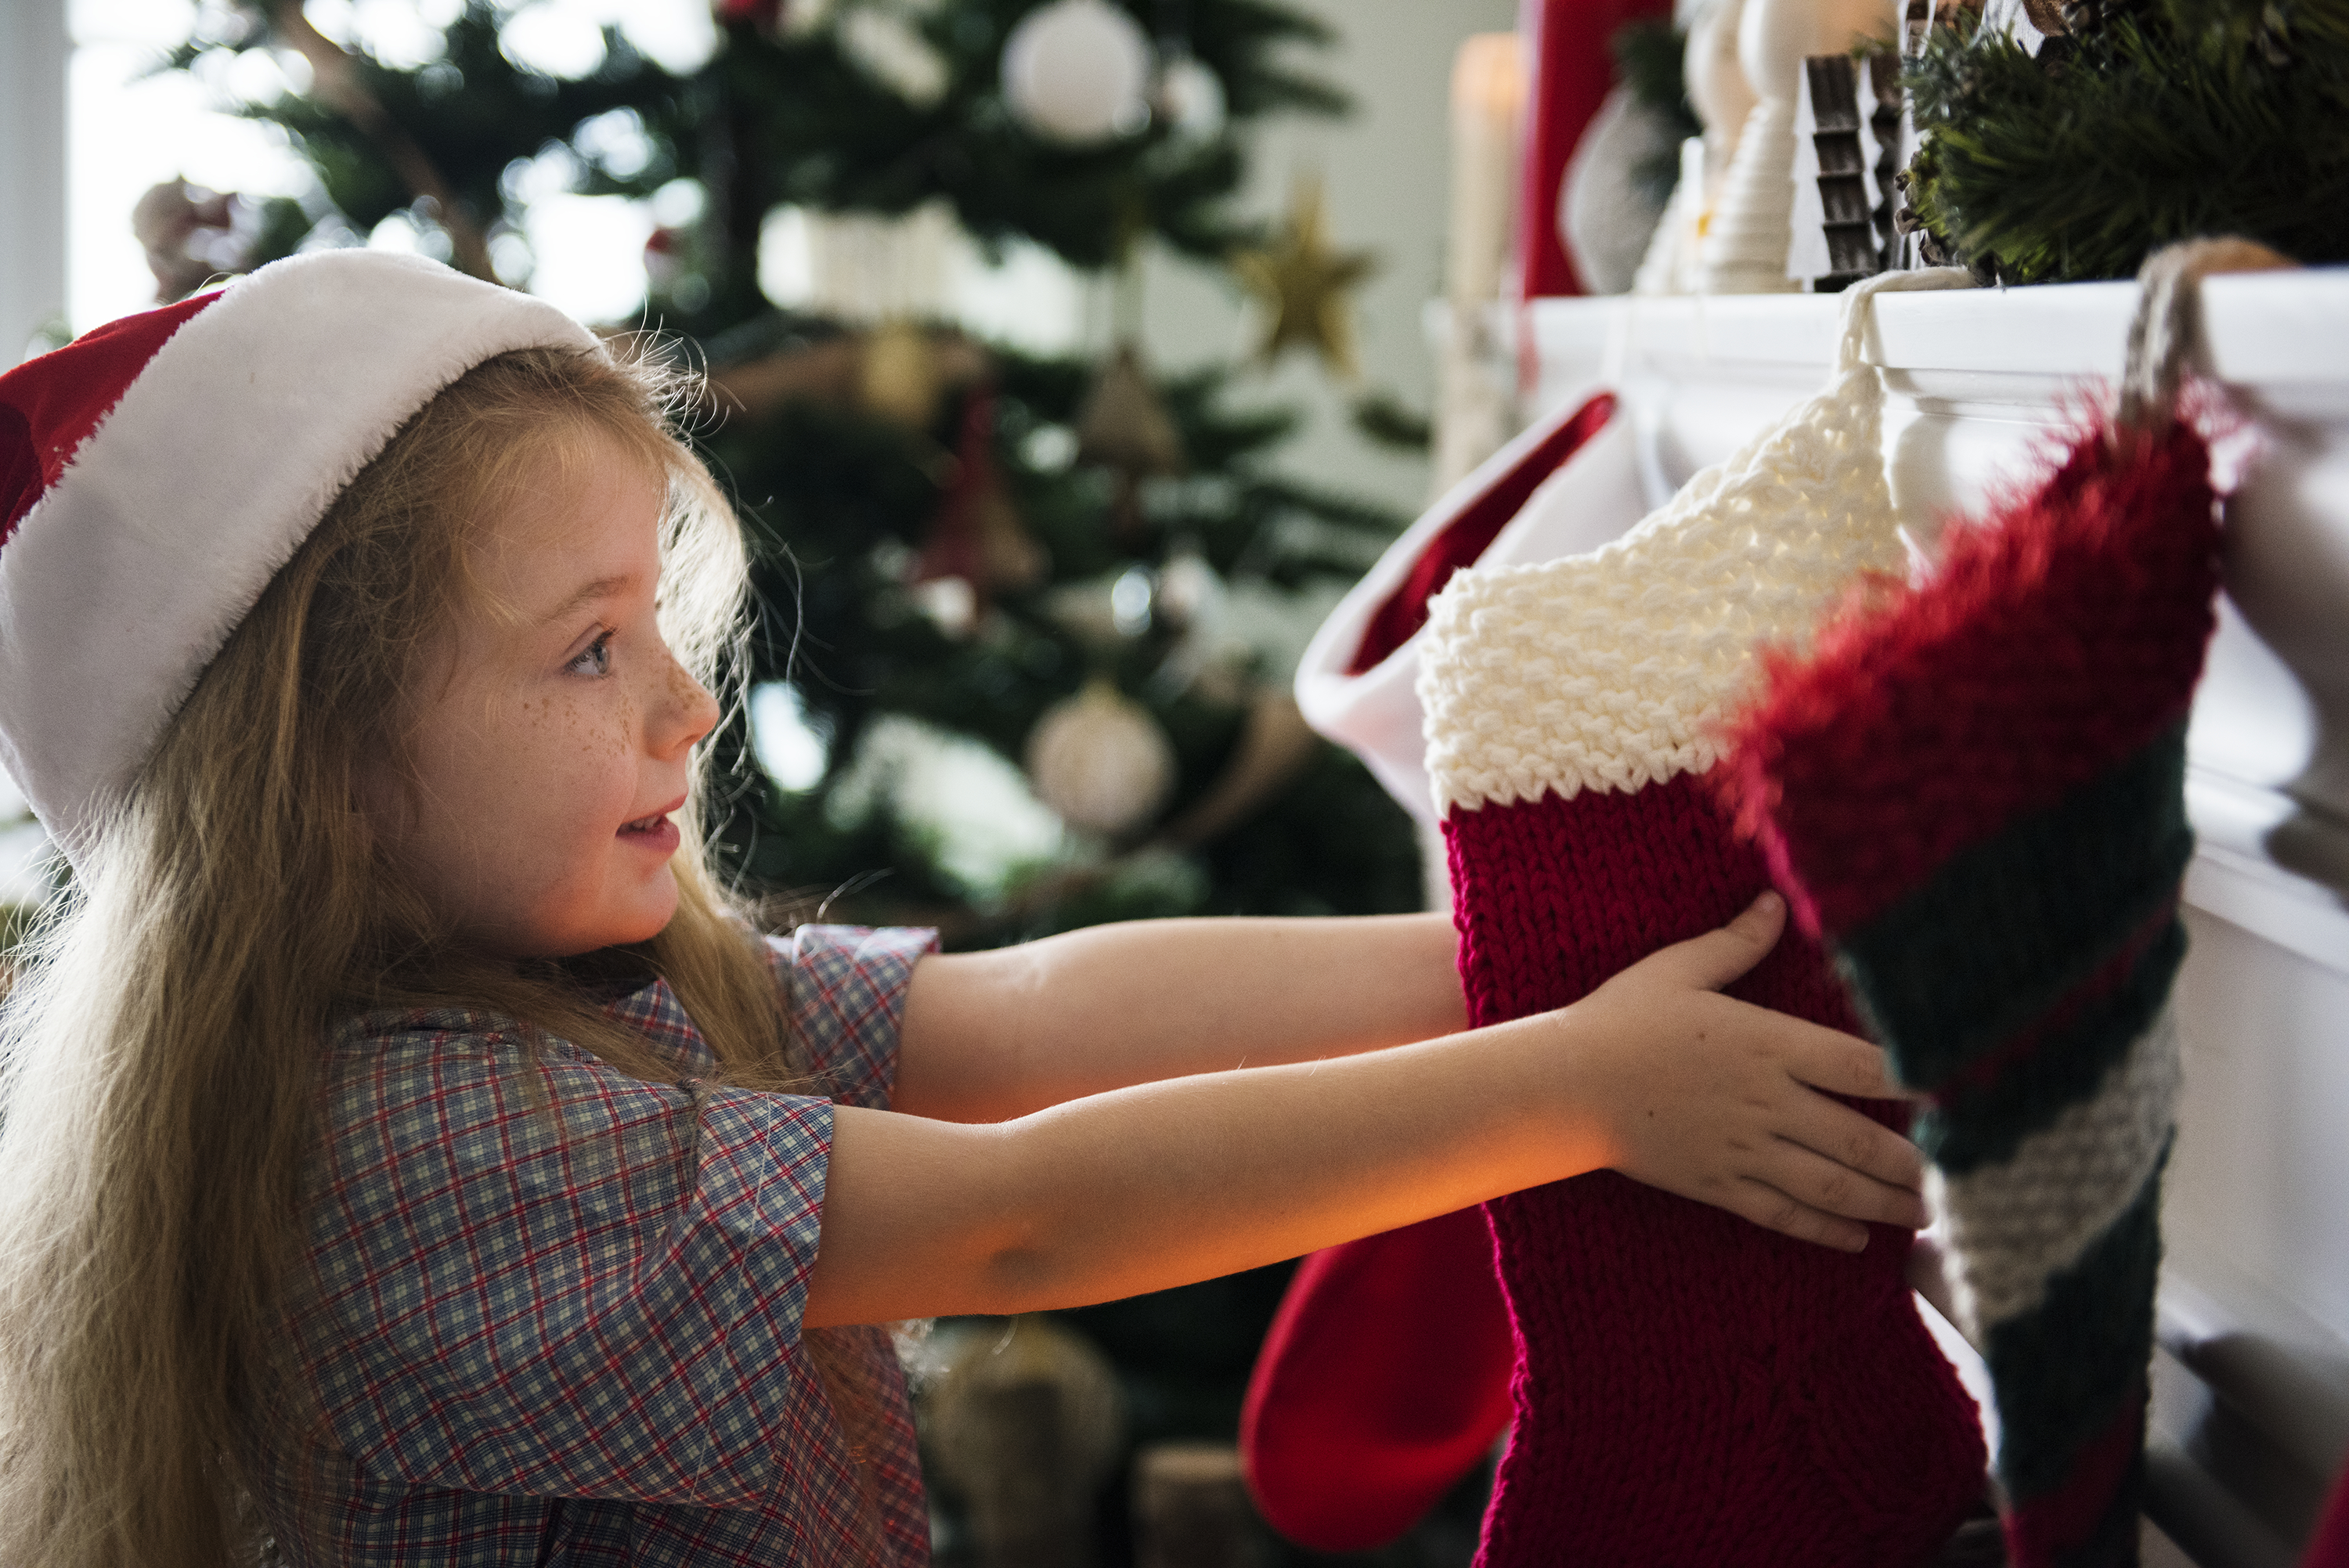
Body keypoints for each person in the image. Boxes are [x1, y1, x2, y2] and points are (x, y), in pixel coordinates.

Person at [0, 252, 1929, 1568]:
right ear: (320, 770)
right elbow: (1021, 1223)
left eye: (660, 628)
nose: (686, 704)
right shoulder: (405, 1138)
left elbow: (1018, 1024)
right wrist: (1583, 1090)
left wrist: (1533, 972)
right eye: (591, 652)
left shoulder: (576, 985)